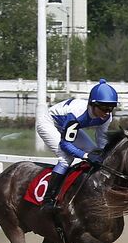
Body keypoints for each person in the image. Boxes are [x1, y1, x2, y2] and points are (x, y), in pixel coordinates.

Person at [36, 80, 118, 218]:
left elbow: (101, 140)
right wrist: (85, 156)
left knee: (94, 151)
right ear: (93, 104)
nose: (107, 112)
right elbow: (65, 144)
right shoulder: (77, 113)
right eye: (104, 108)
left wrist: (104, 155)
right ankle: (48, 200)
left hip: (70, 126)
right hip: (49, 123)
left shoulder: (106, 117)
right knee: (66, 158)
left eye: (111, 109)